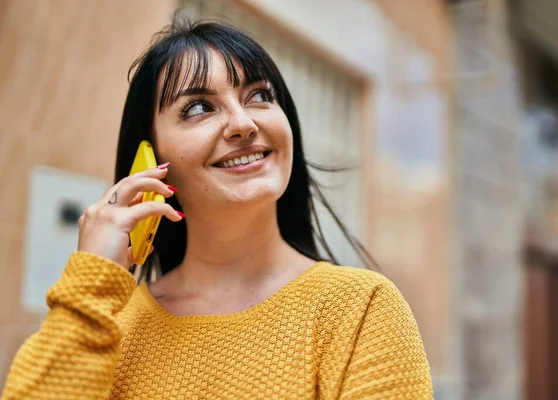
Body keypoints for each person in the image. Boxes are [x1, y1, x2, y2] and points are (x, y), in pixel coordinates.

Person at [2, 16, 433, 400]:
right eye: (198, 108)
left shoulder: (359, 310)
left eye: (260, 95)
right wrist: (88, 284)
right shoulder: (105, 325)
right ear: (151, 161)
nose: (244, 123)